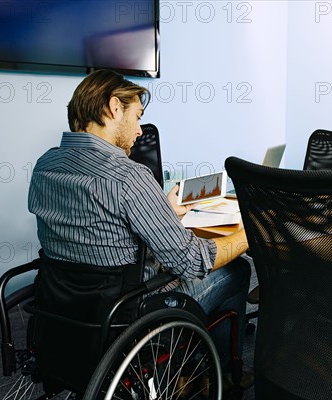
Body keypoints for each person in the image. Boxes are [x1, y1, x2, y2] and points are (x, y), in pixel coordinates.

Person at [28, 69, 251, 381]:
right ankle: (224, 376)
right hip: (130, 311)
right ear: (114, 107)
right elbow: (193, 261)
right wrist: (251, 231)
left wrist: (163, 212)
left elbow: (101, 229)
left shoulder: (46, 164)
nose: (139, 129)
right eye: (137, 115)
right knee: (238, 270)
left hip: (64, 305)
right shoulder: (129, 175)